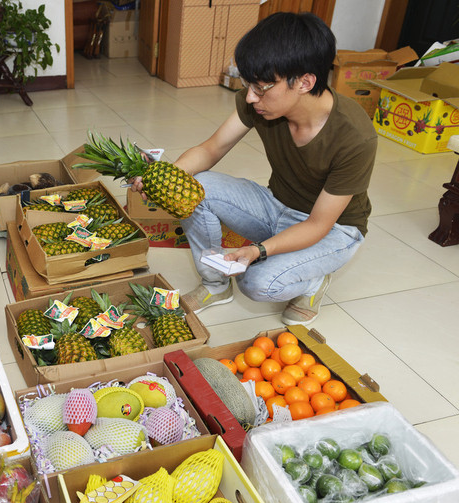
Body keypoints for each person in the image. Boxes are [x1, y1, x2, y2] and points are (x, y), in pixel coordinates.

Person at [131, 12, 375, 326]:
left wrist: (258, 251)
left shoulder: (354, 136)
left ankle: (313, 281)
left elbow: (317, 225)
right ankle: (215, 286)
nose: (250, 97)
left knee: (257, 283)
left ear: (305, 82)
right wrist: (161, 177)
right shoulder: (261, 103)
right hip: (278, 206)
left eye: (260, 89)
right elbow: (211, 148)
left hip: (333, 229)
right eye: (249, 86)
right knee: (195, 187)